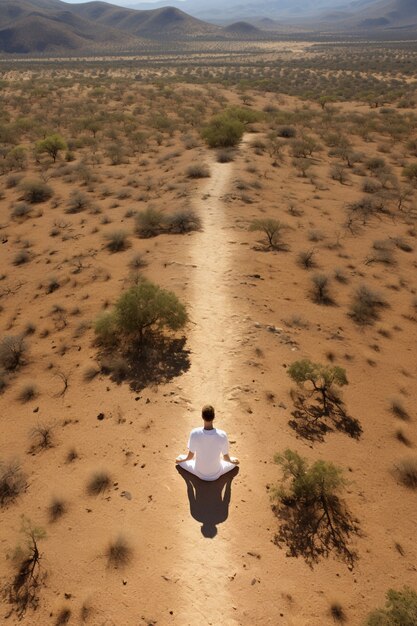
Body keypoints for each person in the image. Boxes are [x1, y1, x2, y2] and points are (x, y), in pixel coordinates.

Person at [175, 404, 239, 481]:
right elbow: (226, 459)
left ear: (202, 416)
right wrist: (232, 462)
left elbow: (190, 457)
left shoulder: (194, 433)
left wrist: (180, 461)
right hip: (217, 473)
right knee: (234, 459)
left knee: (179, 458)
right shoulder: (222, 434)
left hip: (198, 473)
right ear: (214, 417)